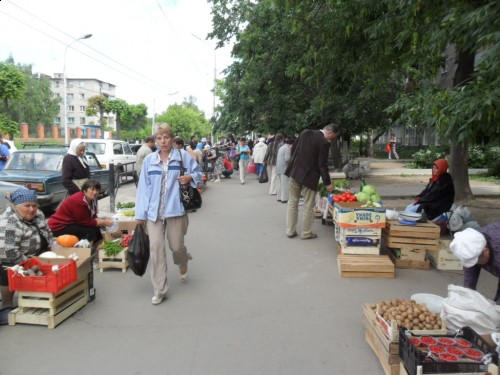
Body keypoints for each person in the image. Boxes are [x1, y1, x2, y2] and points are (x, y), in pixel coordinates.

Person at [135, 123, 202, 305]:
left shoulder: (181, 157)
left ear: (171, 139)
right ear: (155, 141)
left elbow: (199, 173)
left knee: (176, 246)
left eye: (166, 137)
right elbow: (143, 189)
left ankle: (182, 261)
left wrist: (189, 177)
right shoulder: (149, 161)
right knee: (156, 248)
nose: (163, 141)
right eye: (159, 138)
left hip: (176, 210)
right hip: (154, 214)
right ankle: (160, 289)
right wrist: (140, 214)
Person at [0, 188, 52, 323]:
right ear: (15, 207)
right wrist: (31, 265)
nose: (31, 209)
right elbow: (9, 252)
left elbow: (47, 230)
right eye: (27, 206)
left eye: (34, 205)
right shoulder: (10, 223)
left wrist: (53, 244)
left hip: (38, 256)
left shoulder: (38, 214)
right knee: (7, 268)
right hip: (15, 259)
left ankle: (37, 295)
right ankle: (6, 305)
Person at [285, 124, 339, 240]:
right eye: (333, 137)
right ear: (329, 132)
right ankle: (306, 233)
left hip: (295, 173)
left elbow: (294, 149)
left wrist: (294, 165)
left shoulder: (305, 133)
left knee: (292, 203)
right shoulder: (324, 143)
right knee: (308, 205)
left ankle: (290, 231)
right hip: (310, 177)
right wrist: (328, 183)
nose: (331, 139)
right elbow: (322, 165)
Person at [48, 179, 113, 250]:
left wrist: (102, 220)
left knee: (97, 228)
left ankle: (100, 247)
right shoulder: (79, 201)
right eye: (92, 189)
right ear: (85, 190)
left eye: (97, 190)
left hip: (72, 223)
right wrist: (103, 222)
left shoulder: (92, 199)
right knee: (90, 231)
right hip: (59, 227)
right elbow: (84, 222)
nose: (95, 192)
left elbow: (93, 216)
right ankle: (83, 250)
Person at [450, 223, 500, 304]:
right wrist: (468, 294)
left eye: (476, 261)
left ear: (486, 251)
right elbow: (471, 268)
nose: (474, 264)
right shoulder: (473, 241)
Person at [276, 138, 293, 203]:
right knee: (285, 184)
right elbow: (287, 159)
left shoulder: (282, 147)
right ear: (290, 144)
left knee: (279, 184)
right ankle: (284, 198)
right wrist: (293, 159)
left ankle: (279, 197)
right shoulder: (287, 148)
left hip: (278, 168)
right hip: (284, 169)